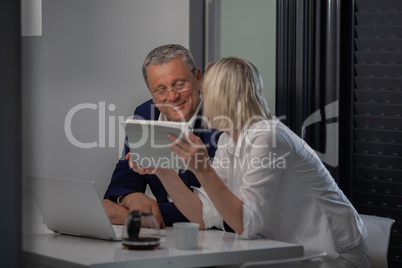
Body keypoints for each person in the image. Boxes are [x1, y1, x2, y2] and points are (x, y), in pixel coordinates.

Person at [131, 57, 370, 267]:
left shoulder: (268, 136)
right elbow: (201, 217)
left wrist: (203, 170)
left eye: (206, 92)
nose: (201, 99)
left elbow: (246, 225)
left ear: (223, 97)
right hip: (289, 254)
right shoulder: (228, 140)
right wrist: (162, 171)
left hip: (331, 258)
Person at [102, 44, 221, 227]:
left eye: (180, 84)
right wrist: (131, 198)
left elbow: (213, 210)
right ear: (151, 92)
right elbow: (122, 182)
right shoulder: (144, 114)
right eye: (160, 90)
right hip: (165, 238)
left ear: (198, 78)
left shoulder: (220, 121)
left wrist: (134, 217)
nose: (172, 96)